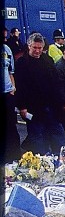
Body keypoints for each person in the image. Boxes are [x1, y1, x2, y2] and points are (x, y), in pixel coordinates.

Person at [14, 32, 65, 153]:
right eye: (35, 48)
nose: (37, 51)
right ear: (29, 46)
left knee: (58, 137)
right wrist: (22, 107)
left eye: (40, 48)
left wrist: (62, 101)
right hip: (33, 108)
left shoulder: (47, 60)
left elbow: (56, 82)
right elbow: (20, 86)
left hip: (51, 106)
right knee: (38, 139)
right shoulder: (22, 63)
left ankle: (61, 159)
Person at [4, 27, 20, 161]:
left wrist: (13, 88)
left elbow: (11, 72)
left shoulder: (7, 50)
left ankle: (14, 158)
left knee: (11, 127)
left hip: (8, 94)